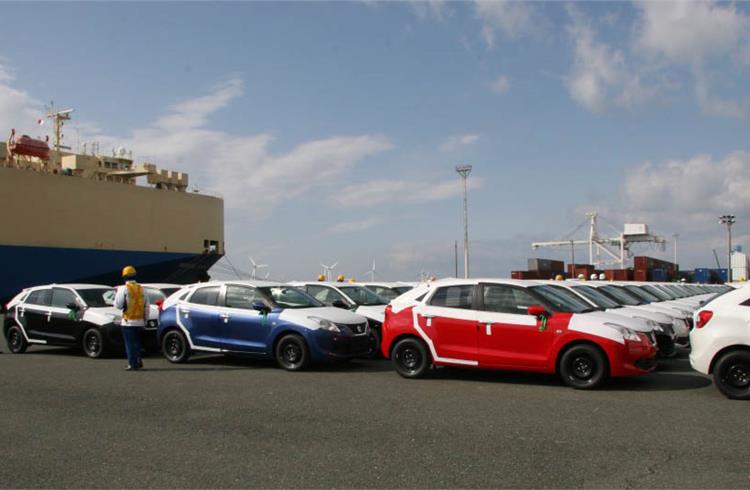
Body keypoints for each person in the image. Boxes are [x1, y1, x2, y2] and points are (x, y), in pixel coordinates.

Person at [114, 265, 149, 371]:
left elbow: (118, 305)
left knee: (129, 344)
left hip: (128, 321)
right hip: (140, 321)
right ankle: (138, 361)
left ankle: (131, 364)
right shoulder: (142, 289)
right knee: (137, 343)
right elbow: (147, 306)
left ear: (124, 277)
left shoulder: (123, 289)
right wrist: (145, 320)